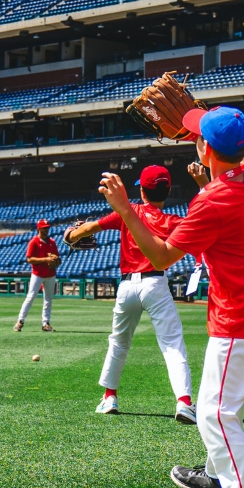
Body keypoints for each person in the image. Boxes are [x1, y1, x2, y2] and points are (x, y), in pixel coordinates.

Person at [98, 105, 244, 488]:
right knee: (210, 408)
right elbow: (226, 160)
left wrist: (126, 209)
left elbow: (161, 255)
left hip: (240, 315)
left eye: (198, 135)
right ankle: (221, 479)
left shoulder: (212, 201)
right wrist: (204, 152)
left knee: (217, 415)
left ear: (205, 148)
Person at [65, 165, 196, 424]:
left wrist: (72, 234)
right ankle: (184, 403)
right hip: (156, 285)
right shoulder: (174, 222)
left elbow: (87, 230)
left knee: (119, 342)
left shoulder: (129, 212)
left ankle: (110, 397)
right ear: (167, 191)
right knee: (172, 345)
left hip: (126, 287)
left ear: (142, 190)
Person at [15, 219, 60, 332]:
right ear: (38, 229)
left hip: (50, 273)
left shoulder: (52, 242)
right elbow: (30, 259)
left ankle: (46, 323)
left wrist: (57, 261)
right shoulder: (33, 242)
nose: (47, 229)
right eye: (44, 227)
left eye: (47, 227)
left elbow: (57, 257)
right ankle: (20, 321)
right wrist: (46, 259)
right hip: (38, 274)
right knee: (30, 297)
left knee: (48, 299)